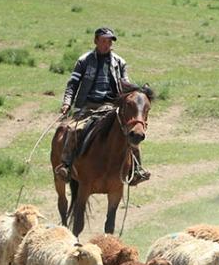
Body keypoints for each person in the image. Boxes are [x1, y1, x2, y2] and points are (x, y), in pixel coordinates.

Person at [55, 27, 150, 185]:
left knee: (131, 133)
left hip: (111, 107)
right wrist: (67, 102)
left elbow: (124, 84)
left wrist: (137, 90)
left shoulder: (119, 62)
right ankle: (66, 166)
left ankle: (137, 169)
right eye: (104, 41)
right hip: (88, 106)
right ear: (96, 41)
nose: (107, 45)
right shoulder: (84, 61)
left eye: (110, 41)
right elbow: (73, 84)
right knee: (73, 129)